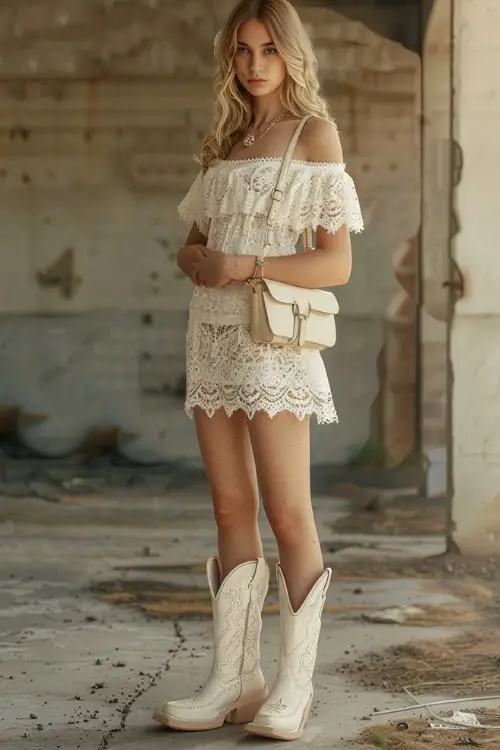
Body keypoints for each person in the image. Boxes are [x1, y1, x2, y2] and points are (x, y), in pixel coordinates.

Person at [153, 0, 363, 741]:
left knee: (286, 514)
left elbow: (336, 261)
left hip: (275, 341)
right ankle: (236, 680)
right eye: (242, 50)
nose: (253, 64)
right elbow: (192, 241)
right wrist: (197, 260)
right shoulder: (227, 138)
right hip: (211, 336)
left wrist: (247, 264)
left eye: (268, 49)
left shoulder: (313, 135)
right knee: (229, 511)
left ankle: (293, 687)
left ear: (291, 54)